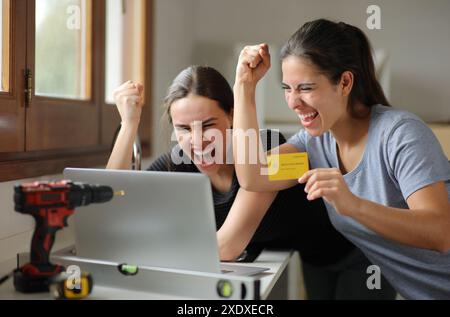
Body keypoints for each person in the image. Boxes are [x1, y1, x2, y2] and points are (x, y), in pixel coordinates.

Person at [107, 65, 396, 299]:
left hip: (360, 251)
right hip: (315, 258)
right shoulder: (177, 162)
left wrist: (149, 243)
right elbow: (108, 203)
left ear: (232, 115)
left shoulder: (270, 147)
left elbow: (228, 247)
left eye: (208, 125)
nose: (196, 142)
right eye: (183, 129)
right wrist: (130, 124)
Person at [232, 19, 450, 299]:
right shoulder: (314, 145)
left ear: (345, 82)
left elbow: (441, 232)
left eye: (306, 88)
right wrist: (244, 86)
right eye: (287, 88)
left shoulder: (400, 134)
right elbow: (253, 175)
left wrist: (354, 205)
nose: (293, 102)